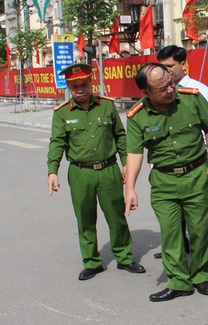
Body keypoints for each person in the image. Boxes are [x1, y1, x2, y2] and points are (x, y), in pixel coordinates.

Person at [124, 63, 208, 302]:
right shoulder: (137, 116)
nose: (170, 89)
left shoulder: (192, 99)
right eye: (162, 88)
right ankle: (179, 281)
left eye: (170, 82)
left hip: (197, 175)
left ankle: (200, 276)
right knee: (170, 233)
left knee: (200, 231)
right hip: (164, 182)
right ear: (146, 93)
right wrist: (130, 189)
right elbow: (135, 154)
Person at [46, 63, 145, 281]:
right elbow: (57, 143)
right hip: (81, 173)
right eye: (74, 87)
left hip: (108, 170)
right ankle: (91, 262)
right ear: (69, 88)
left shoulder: (107, 106)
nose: (79, 90)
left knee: (117, 216)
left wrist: (126, 163)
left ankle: (124, 257)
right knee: (85, 219)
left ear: (91, 83)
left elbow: (120, 136)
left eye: (83, 85)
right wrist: (52, 171)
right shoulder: (62, 113)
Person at [156, 45, 208, 264]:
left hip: (196, 158)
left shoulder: (198, 90)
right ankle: (181, 245)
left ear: (183, 64)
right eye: (162, 67)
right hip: (172, 159)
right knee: (177, 205)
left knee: (203, 208)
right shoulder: (161, 91)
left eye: (169, 66)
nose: (165, 71)